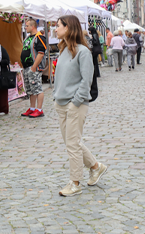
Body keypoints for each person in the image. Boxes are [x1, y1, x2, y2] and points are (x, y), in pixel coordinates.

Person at [53, 15, 107, 197]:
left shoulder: (82, 52)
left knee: (73, 145)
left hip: (74, 104)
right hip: (61, 103)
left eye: (58, 26)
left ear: (68, 28)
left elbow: (87, 80)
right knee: (72, 142)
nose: (55, 29)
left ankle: (75, 183)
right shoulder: (63, 50)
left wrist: (76, 102)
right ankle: (96, 166)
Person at [20, 19, 47, 118]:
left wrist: (34, 67)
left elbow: (41, 53)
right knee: (30, 89)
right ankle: (32, 108)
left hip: (33, 67)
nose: (25, 28)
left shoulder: (39, 37)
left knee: (37, 88)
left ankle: (39, 109)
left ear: (33, 26)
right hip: (27, 67)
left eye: (27, 26)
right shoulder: (28, 38)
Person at [0, 33, 11, 115]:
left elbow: (7, 61)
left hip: (2, 73)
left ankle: (3, 109)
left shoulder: (1, 48)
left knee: (2, 92)